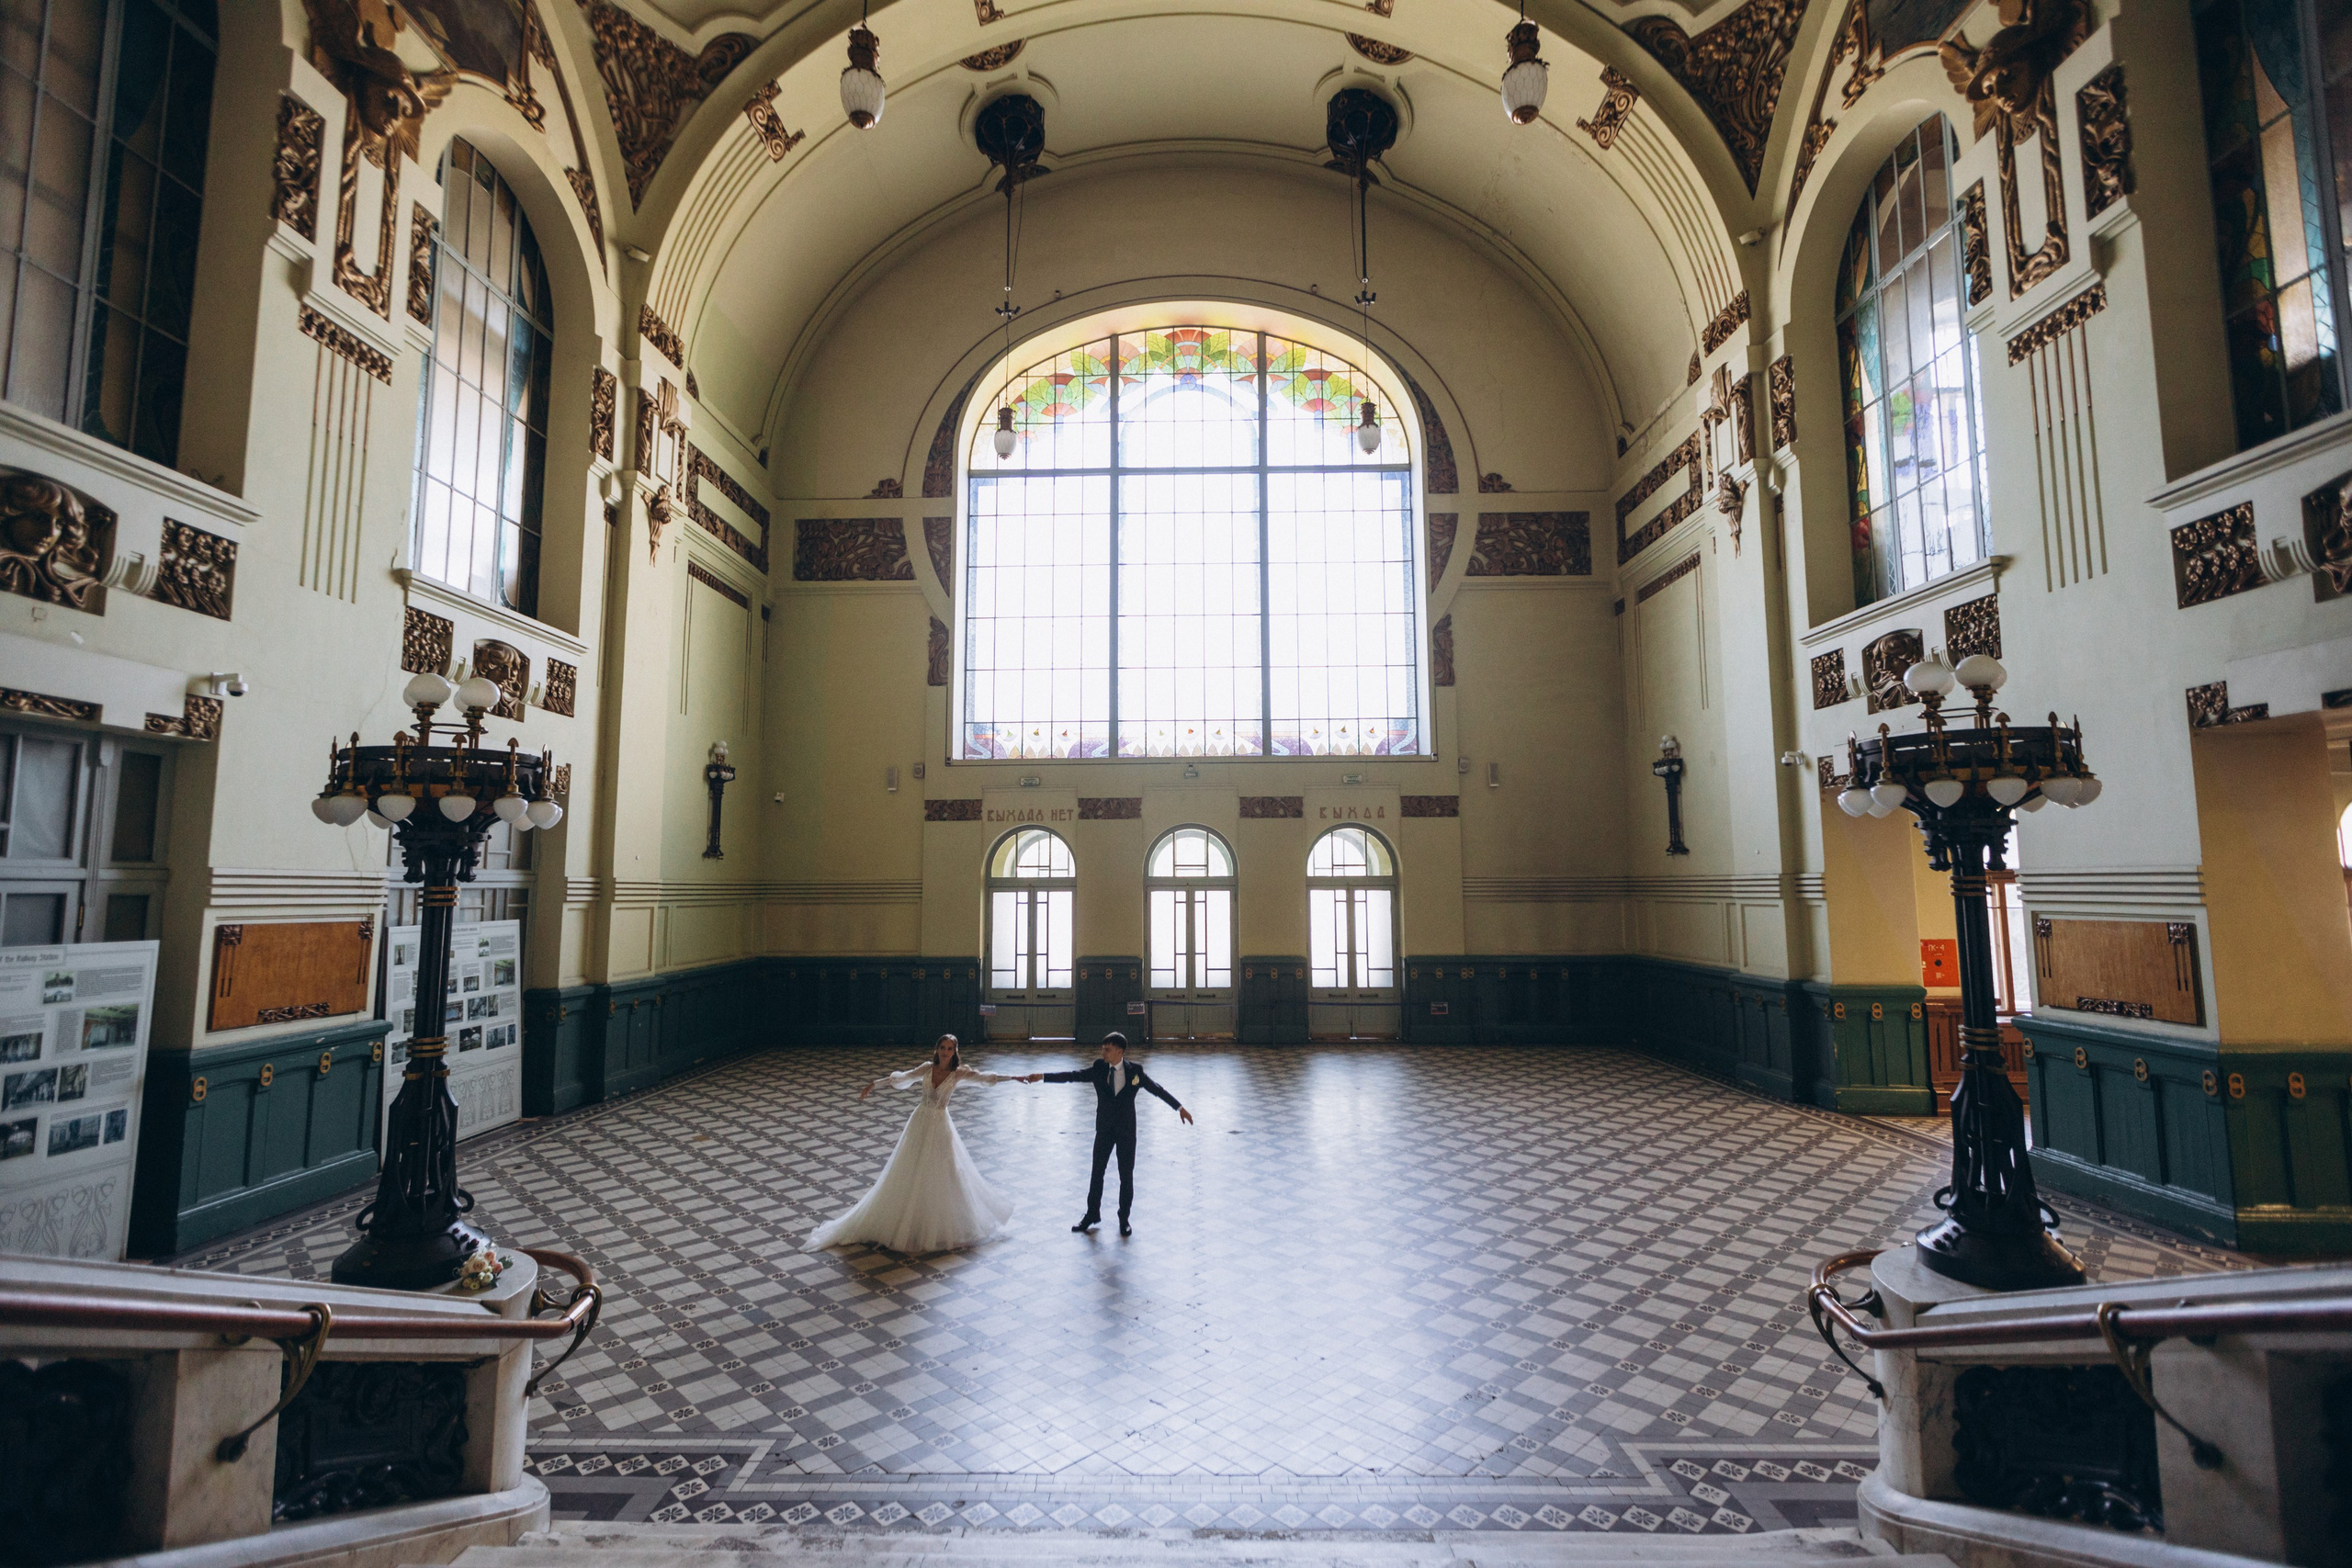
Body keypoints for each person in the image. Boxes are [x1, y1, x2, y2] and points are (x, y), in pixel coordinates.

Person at [804, 1034, 1035, 1254]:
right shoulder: (927, 1068)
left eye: (950, 1049)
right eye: (943, 1048)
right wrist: (875, 1084)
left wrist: (1013, 1078)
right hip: (920, 1121)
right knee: (910, 1167)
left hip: (941, 1124)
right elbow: (903, 1078)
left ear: (955, 1052)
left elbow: (985, 1078)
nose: (945, 1052)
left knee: (944, 1170)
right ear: (937, 1050)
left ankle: (941, 1220)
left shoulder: (959, 1073)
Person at [1040, 1032, 1193, 1236]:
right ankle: (1091, 1214)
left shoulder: (1135, 1072)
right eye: (1103, 1048)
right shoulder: (1098, 1068)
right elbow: (1072, 1076)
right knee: (1097, 1173)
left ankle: (1124, 1219)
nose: (1103, 1052)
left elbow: (1156, 1089)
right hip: (1104, 1129)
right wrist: (1042, 1077)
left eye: (1107, 1049)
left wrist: (1179, 1107)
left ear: (1119, 1051)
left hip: (1126, 1131)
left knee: (1126, 1175)